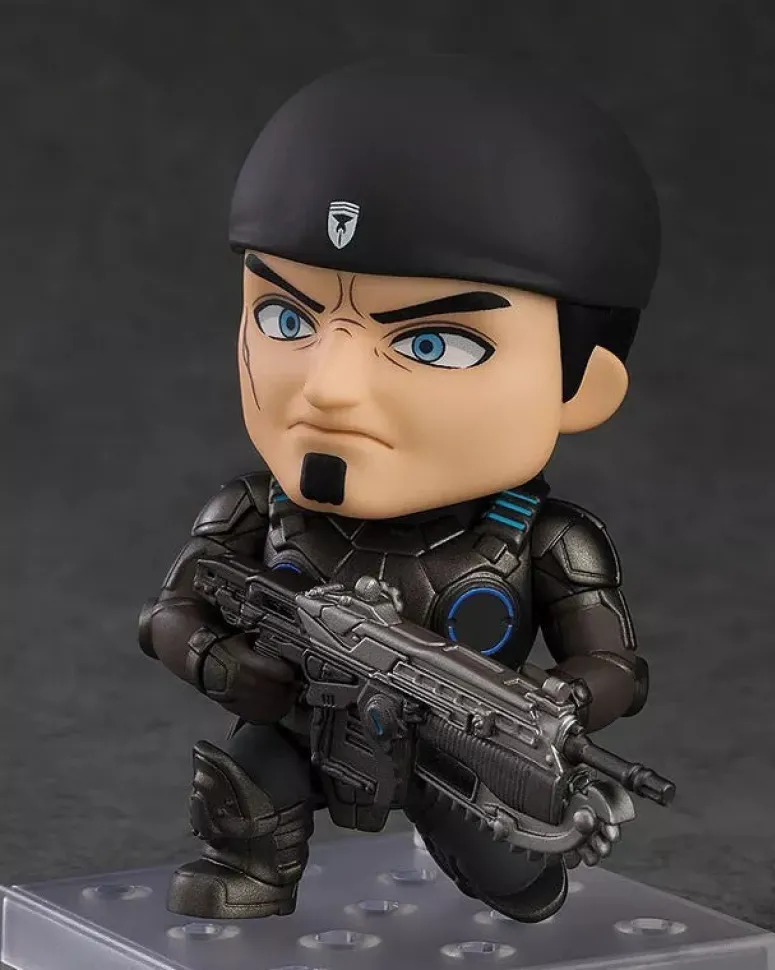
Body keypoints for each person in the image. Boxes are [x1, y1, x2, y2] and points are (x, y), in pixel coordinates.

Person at [139, 54, 661, 923]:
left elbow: (617, 667)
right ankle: (260, 862)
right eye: (287, 319)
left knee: (521, 887)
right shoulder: (258, 512)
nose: (331, 388)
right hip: (300, 726)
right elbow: (170, 610)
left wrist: (563, 700)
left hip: (452, 754)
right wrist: (217, 661)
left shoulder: (545, 540)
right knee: (244, 802)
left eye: (431, 344)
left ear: (583, 387)